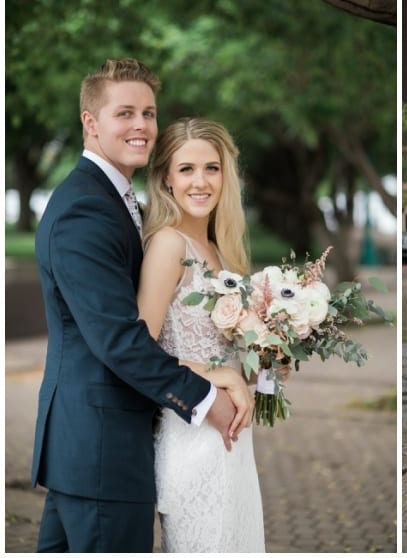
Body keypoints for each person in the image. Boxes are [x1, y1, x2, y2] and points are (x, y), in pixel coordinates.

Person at [32, 58, 250, 552]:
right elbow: (119, 339)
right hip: (101, 447)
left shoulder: (120, 202)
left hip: (95, 448)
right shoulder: (85, 210)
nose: (141, 126)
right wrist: (205, 397)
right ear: (91, 122)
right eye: (125, 113)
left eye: (148, 114)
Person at [137, 117, 266, 551]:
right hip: (190, 437)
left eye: (211, 168)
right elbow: (141, 352)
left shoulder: (222, 251)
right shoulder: (168, 245)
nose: (201, 181)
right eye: (186, 169)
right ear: (166, 180)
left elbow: (238, 363)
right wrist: (218, 376)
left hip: (233, 443)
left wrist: (273, 357)